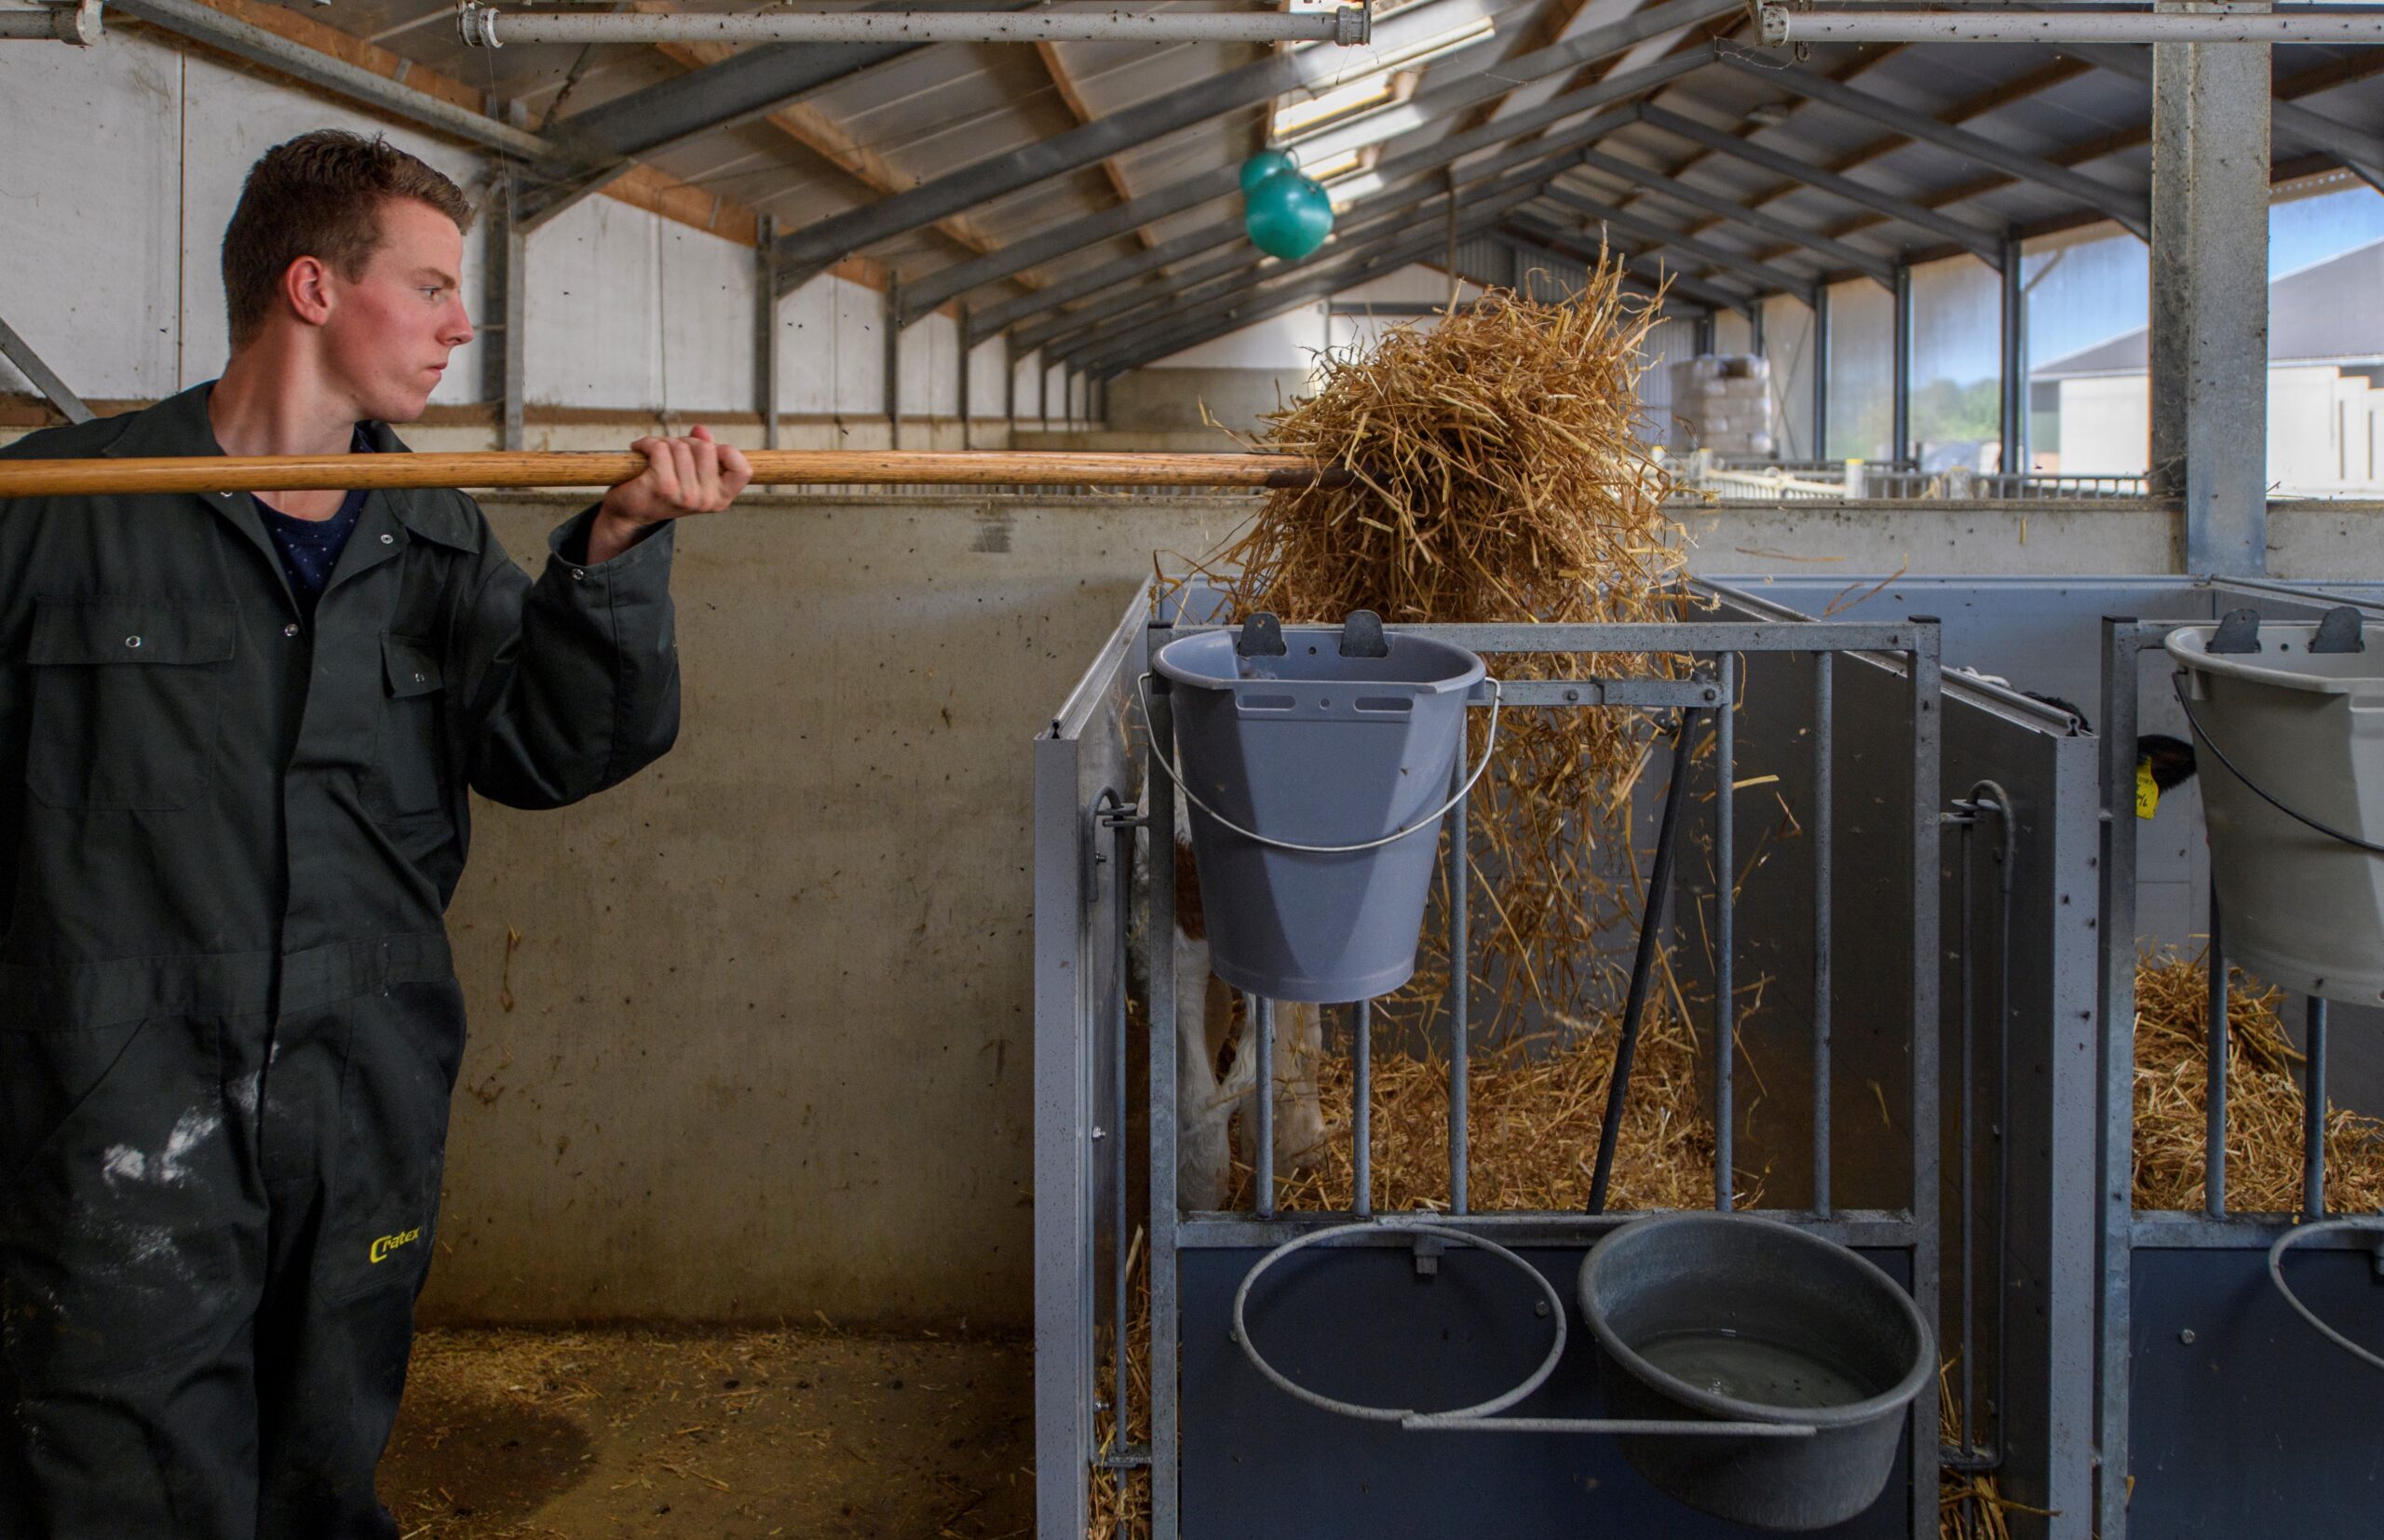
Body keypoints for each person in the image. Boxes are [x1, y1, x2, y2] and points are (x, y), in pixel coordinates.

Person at [0, 128, 751, 1537]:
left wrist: (617, 547)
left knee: (322, 1472)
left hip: (360, 1101)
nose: (463, 324)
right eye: (431, 286)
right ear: (312, 288)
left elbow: (549, 747)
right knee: (114, 1487)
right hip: (116, 1113)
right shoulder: (62, 509)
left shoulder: (430, 536)